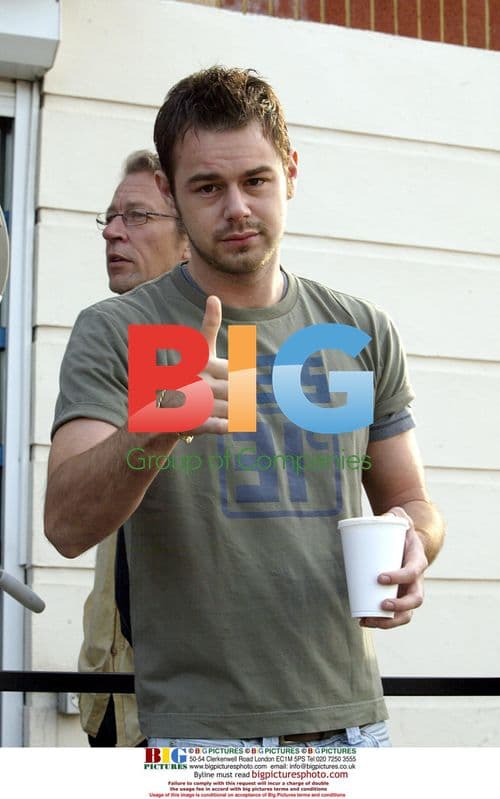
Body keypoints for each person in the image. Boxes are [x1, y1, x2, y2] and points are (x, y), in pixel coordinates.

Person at [45, 67, 445, 749]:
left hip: (354, 724)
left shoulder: (359, 329)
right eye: (208, 187)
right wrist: (156, 427)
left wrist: (413, 543)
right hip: (201, 737)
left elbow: (415, 504)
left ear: (290, 171)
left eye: (255, 180)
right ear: (171, 192)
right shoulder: (116, 330)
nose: (237, 207)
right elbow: (65, 524)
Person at [78, 149, 189, 747]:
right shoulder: (108, 340)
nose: (113, 231)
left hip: (194, 716)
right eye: (110, 216)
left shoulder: (225, 351)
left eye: (138, 216)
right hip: (117, 690)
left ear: (188, 241)